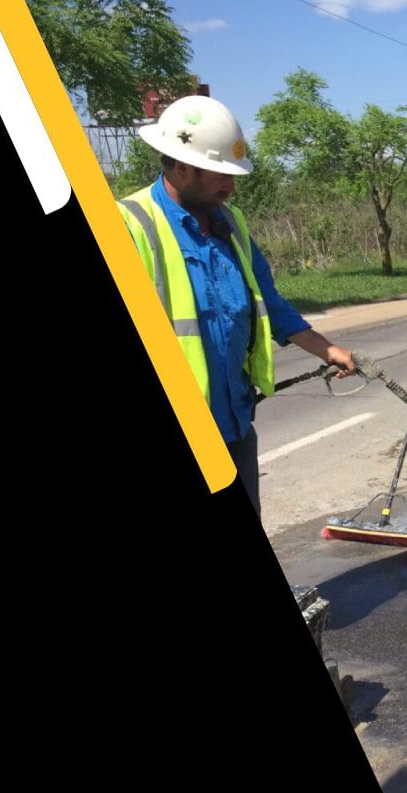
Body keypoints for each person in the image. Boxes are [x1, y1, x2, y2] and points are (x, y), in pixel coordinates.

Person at [117, 95, 356, 517]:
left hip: (234, 426)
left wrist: (326, 349)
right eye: (219, 175)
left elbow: (268, 303)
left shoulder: (232, 223)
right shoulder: (127, 226)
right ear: (181, 166)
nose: (230, 186)